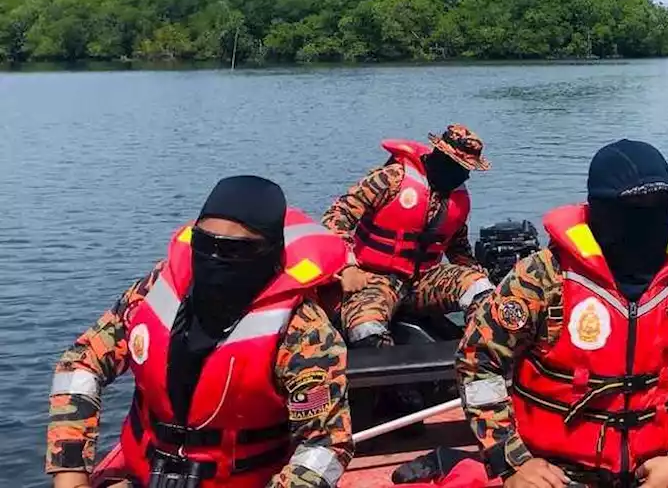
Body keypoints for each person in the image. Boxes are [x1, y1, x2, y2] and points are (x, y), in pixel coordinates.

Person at [456, 140, 668, 488]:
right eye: (637, 207)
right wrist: (512, 461)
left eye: (663, 205)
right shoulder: (544, 277)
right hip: (559, 470)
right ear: (602, 210)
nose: (651, 220)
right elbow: (478, 363)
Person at [46, 176, 353, 488]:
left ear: (270, 254)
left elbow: (326, 446)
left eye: (235, 250)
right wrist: (71, 472)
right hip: (141, 475)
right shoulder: (155, 292)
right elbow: (82, 362)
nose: (216, 259)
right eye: (205, 244)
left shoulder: (303, 331)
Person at [324, 124, 495, 348]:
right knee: (365, 328)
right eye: (459, 167)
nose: (464, 175)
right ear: (440, 157)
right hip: (374, 278)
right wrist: (348, 267)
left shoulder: (456, 199)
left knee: (480, 289)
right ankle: (389, 378)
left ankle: (478, 361)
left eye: (467, 170)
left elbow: (458, 247)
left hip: (423, 280)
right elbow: (335, 218)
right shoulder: (390, 179)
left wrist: (474, 270)